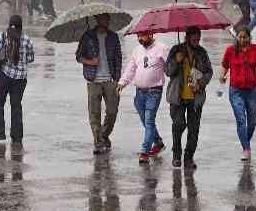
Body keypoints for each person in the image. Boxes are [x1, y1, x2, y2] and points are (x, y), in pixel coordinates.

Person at [220, 26, 256, 160]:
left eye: (244, 37)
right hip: (236, 91)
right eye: (239, 37)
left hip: (253, 90)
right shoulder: (230, 51)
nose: (242, 39)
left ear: (249, 37)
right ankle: (246, 148)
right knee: (241, 119)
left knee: (251, 122)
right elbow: (224, 65)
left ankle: (245, 140)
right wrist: (222, 76)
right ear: (236, 37)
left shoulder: (255, 50)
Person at [165, 27, 215, 168]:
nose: (196, 41)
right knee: (178, 125)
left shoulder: (201, 52)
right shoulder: (176, 50)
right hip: (177, 96)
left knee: (194, 129)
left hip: (195, 97)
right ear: (187, 37)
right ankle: (176, 156)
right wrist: (176, 60)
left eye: (198, 39)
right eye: (194, 39)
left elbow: (209, 72)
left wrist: (200, 84)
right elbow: (168, 71)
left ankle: (189, 157)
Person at [117, 30, 169, 164]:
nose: (140, 39)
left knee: (149, 120)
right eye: (138, 36)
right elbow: (131, 68)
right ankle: (158, 142)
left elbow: (170, 68)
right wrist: (122, 82)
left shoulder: (162, 49)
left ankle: (145, 151)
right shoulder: (137, 51)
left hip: (154, 91)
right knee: (145, 120)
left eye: (142, 36)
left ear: (151, 35)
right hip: (139, 92)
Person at [0, 14, 35, 152]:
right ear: (21, 26)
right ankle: (17, 137)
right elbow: (31, 58)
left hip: (3, 76)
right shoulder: (27, 39)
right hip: (20, 79)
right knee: (16, 107)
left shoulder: (3, 36)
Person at [76, 13, 122, 154]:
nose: (106, 21)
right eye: (103, 18)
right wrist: (91, 62)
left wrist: (118, 79)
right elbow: (78, 56)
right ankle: (97, 141)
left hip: (110, 80)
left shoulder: (113, 37)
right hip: (93, 80)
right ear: (97, 20)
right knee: (94, 113)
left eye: (107, 19)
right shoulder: (87, 36)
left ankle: (103, 135)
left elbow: (118, 58)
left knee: (112, 112)